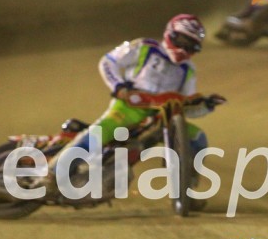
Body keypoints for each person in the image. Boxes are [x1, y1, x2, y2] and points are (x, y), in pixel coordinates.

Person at [43, 14, 226, 204]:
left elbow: (185, 107)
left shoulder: (188, 70)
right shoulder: (144, 47)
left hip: (162, 117)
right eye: (181, 40)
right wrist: (119, 86)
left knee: (198, 138)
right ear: (170, 34)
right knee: (100, 133)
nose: (183, 49)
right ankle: (52, 174)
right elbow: (108, 62)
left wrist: (206, 106)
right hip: (130, 108)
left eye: (191, 45)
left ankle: (185, 191)